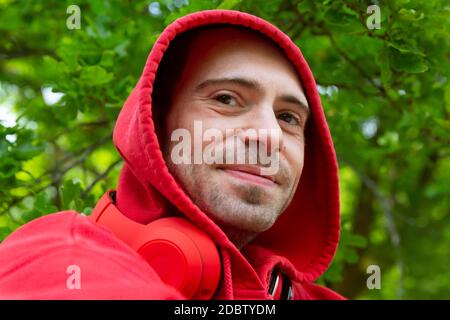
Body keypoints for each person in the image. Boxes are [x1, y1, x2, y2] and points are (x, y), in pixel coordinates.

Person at [0, 9, 344, 300]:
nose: (269, 136)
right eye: (226, 99)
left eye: (288, 118)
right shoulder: (58, 264)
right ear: (156, 125)